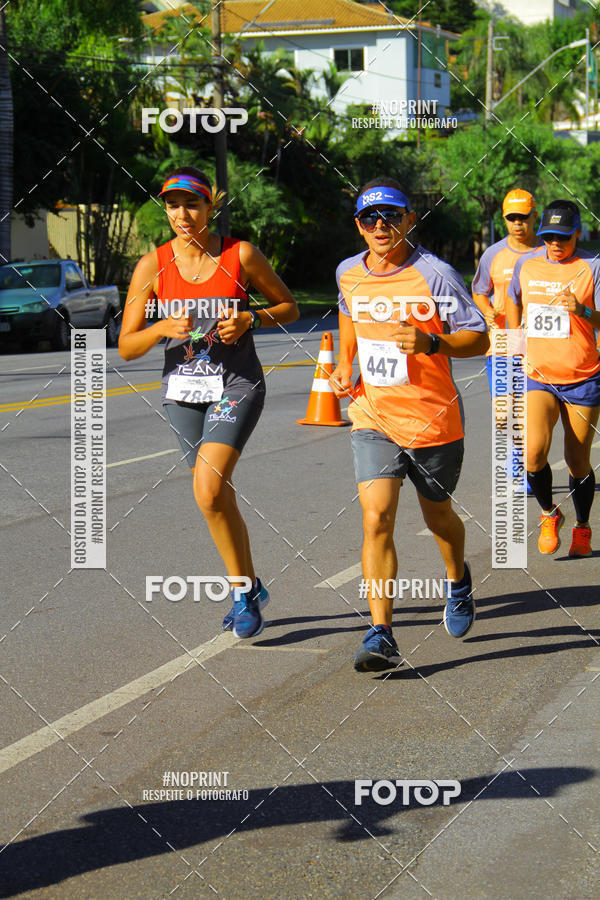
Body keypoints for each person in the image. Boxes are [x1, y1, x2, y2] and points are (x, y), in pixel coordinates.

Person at [119, 166, 298, 637]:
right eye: (173, 205)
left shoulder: (240, 255)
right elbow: (127, 345)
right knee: (215, 497)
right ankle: (251, 586)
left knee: (208, 489)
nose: (183, 214)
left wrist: (251, 320)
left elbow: (290, 307)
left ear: (210, 206)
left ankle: (241, 594)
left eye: (192, 204)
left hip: (236, 385)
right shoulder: (152, 266)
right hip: (182, 393)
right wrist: (160, 327)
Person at [330, 177, 489, 672]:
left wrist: (432, 343)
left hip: (433, 418)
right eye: (369, 218)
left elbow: (478, 337)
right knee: (376, 516)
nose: (380, 226)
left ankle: (457, 579)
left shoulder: (435, 274)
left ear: (408, 220)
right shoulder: (348, 272)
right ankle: (381, 634)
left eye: (391, 216)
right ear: (358, 226)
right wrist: (345, 361)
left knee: (437, 516)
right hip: (373, 414)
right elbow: (348, 313)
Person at [507, 199, 600, 557]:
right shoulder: (526, 266)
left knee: (577, 461)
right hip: (539, 375)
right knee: (532, 454)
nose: (555, 245)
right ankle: (549, 513)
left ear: (577, 233)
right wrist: (514, 336)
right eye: (548, 237)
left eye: (563, 237)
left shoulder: (593, 267)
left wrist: (584, 310)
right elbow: (513, 299)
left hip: (582, 377)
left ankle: (582, 526)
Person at [472, 190, 541, 491]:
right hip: (501, 342)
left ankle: (531, 462)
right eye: (511, 218)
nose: (517, 224)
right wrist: (487, 310)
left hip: (540, 345)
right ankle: (516, 455)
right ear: (504, 220)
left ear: (534, 216)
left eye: (523, 217)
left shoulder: (546, 252)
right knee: (505, 411)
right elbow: (479, 290)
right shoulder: (493, 254)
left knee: (530, 410)